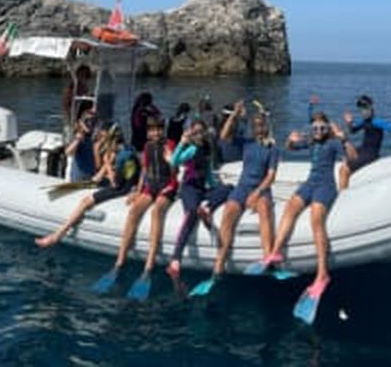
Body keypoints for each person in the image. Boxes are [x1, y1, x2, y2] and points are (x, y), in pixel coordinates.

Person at [252, 111, 356, 296]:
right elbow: (290, 148)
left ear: (327, 129)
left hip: (325, 185)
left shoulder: (333, 143)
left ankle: (322, 274)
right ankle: (275, 252)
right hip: (310, 183)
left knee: (316, 220)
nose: (318, 131)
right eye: (315, 128)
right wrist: (290, 141)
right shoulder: (311, 141)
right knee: (290, 207)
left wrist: (344, 139)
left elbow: (353, 157)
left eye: (322, 128)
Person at [35, 126, 140, 248]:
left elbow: (115, 183)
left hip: (122, 189)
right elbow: (99, 177)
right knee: (86, 185)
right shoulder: (123, 151)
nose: (101, 141)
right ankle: (60, 198)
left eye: (103, 138)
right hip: (121, 183)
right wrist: (90, 181)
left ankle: (57, 235)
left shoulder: (123, 157)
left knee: (85, 202)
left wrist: (107, 164)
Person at [210, 100, 278, 278]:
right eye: (255, 126)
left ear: (266, 126)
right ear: (252, 128)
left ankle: (268, 258)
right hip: (242, 186)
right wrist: (234, 114)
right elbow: (223, 136)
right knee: (229, 211)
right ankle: (219, 262)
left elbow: (271, 176)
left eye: (261, 125)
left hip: (261, 188)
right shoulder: (246, 142)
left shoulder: (272, 148)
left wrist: (257, 193)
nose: (259, 129)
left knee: (264, 208)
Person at [165, 120, 232, 278]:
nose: (199, 135)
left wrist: (215, 186)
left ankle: (208, 208)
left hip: (202, 189)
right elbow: (174, 161)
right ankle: (175, 259)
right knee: (191, 214)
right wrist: (182, 143)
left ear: (205, 132)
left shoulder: (206, 148)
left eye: (201, 132)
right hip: (189, 188)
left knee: (228, 188)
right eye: (195, 132)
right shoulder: (191, 149)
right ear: (191, 134)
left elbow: (207, 172)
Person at [112, 116, 177, 278]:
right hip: (151, 186)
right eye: (152, 130)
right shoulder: (147, 146)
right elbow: (144, 171)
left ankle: (149, 264)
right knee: (134, 211)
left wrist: (171, 161)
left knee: (156, 211)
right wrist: (138, 191)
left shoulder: (170, 145)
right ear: (148, 132)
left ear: (163, 130)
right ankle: (120, 260)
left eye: (159, 129)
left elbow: (176, 173)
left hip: (168, 186)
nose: (156, 133)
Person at [339, 94, 391, 189]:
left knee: (344, 169)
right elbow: (353, 131)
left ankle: (343, 195)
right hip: (363, 149)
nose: (363, 111)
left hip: (371, 154)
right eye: (361, 109)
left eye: (365, 107)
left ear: (371, 107)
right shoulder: (365, 121)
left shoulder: (376, 121)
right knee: (347, 153)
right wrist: (349, 123)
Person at [66, 104, 98, 182]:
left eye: (92, 122)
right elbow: (68, 152)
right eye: (88, 121)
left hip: (92, 173)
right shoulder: (79, 135)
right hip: (79, 174)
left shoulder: (95, 136)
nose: (90, 124)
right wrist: (78, 139)